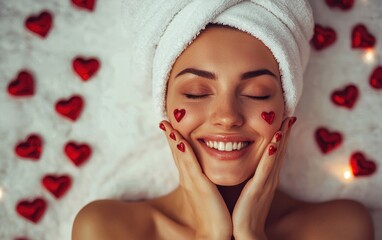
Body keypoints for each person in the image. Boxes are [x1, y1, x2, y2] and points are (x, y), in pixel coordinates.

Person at [72, 1, 374, 239]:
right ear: (164, 107)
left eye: (257, 93)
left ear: (286, 107)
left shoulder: (340, 229)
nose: (227, 117)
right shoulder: (106, 230)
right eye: (196, 92)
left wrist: (251, 235)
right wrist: (210, 235)